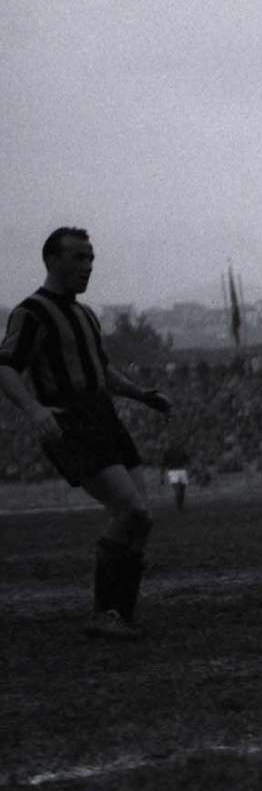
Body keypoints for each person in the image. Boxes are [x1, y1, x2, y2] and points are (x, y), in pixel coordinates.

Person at [1, 228, 172, 638]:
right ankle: (104, 613)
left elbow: (102, 370)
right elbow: (5, 365)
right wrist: (34, 409)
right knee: (131, 511)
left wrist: (141, 395)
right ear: (52, 260)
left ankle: (120, 615)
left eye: (91, 258)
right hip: (71, 421)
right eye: (78, 257)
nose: (88, 266)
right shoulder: (32, 312)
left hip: (104, 417)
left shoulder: (86, 314)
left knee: (141, 520)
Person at [162, 441, 192, 511]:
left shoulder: (178, 451)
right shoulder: (177, 451)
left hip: (177, 471)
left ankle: (180, 506)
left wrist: (162, 476)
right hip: (177, 471)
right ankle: (180, 507)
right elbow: (188, 460)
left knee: (181, 490)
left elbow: (163, 464)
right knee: (179, 490)